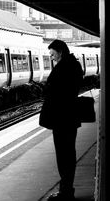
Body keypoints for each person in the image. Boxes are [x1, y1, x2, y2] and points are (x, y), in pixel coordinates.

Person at [39, 40, 83, 201]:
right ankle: (66, 190)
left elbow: (58, 91)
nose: (51, 58)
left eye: (52, 54)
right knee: (67, 155)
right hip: (67, 117)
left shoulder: (66, 67)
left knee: (64, 156)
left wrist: (47, 88)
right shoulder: (72, 65)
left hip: (63, 118)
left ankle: (66, 193)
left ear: (60, 51)